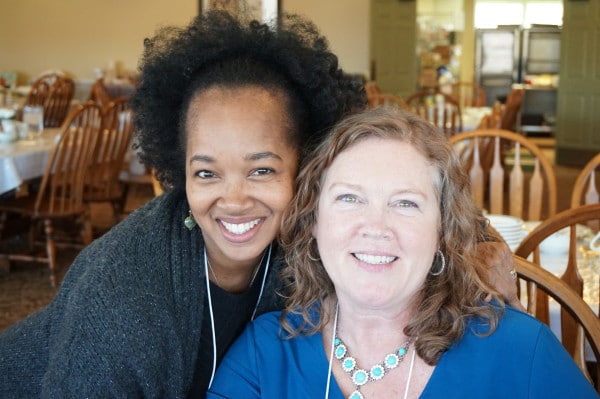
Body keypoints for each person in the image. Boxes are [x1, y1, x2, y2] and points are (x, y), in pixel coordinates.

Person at [0, 11, 515, 398]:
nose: (235, 199)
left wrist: (486, 245)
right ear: (180, 172)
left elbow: (417, 191)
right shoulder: (122, 289)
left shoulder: (309, 233)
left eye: (262, 169)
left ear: (306, 166)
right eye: (206, 172)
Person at [206, 107, 597, 398]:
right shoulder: (265, 354)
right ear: (313, 221)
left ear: (443, 231)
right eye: (349, 198)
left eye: (406, 203)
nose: (376, 227)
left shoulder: (521, 353)